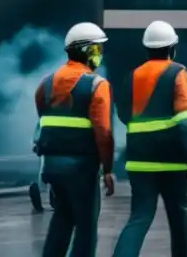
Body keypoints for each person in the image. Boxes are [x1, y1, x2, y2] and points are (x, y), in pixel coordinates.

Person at [113, 20, 187, 257]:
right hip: (173, 163)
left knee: (139, 217)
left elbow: (123, 115)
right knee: (179, 217)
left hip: (139, 162)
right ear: (172, 48)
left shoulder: (131, 76)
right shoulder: (177, 72)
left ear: (147, 48)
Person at [36, 22, 115, 257]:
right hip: (82, 168)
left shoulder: (46, 84)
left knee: (61, 219)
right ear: (88, 50)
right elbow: (103, 132)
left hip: (52, 166)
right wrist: (108, 169)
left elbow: (43, 116)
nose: (100, 54)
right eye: (98, 48)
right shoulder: (97, 85)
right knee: (86, 227)